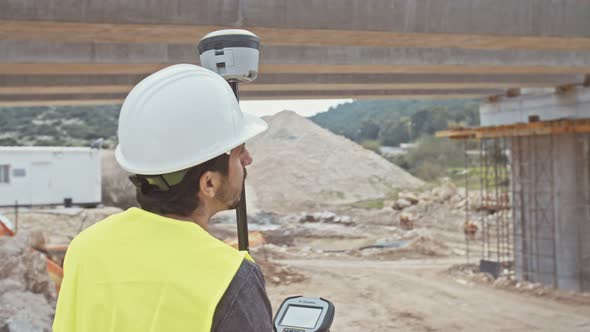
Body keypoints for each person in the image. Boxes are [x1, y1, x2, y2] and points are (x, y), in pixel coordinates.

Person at [53, 64, 273, 332]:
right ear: (209, 183)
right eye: (240, 153)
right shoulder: (229, 277)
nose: (248, 160)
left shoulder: (86, 247)